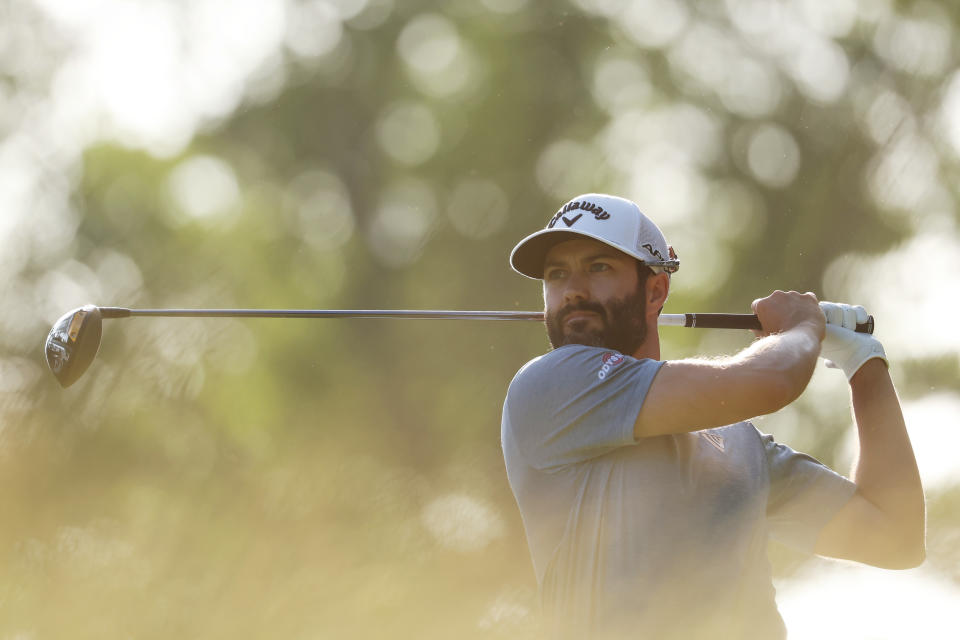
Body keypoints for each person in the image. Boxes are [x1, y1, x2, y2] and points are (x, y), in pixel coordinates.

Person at [500, 194, 925, 639]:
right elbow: (773, 379)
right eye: (556, 274)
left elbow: (895, 535)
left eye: (599, 266)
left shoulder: (740, 444)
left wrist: (864, 365)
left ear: (656, 290)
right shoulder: (550, 386)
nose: (574, 290)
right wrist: (804, 328)